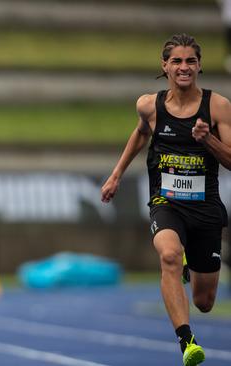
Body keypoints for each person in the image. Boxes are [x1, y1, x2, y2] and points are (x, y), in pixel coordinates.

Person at [101, 34, 231, 366]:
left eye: (190, 61)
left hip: (205, 207)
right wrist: (116, 175)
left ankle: (192, 267)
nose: (184, 67)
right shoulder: (149, 105)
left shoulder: (218, 106)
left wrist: (208, 141)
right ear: (165, 66)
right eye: (177, 61)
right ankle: (187, 342)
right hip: (166, 202)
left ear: (199, 65)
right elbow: (141, 132)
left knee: (204, 301)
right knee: (169, 255)